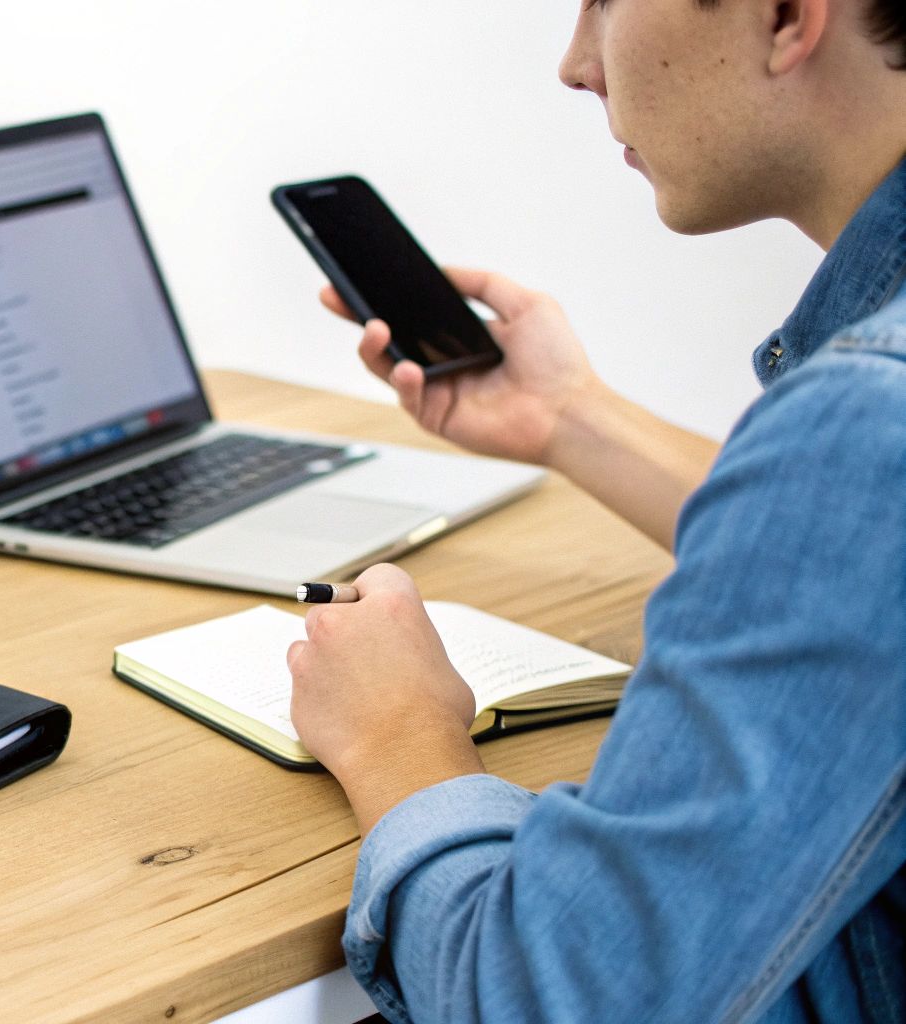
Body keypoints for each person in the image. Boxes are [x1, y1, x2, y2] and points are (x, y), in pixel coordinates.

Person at [284, 0, 906, 1019]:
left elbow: (541, 995)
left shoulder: (864, 431)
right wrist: (566, 416)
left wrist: (398, 733)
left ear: (788, 15)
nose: (577, 63)